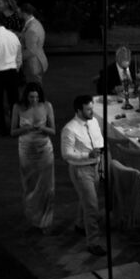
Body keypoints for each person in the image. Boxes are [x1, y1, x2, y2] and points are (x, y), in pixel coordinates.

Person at [60, 94, 106, 255]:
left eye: (92, 108)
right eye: (88, 109)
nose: (91, 112)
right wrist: (87, 156)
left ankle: (80, 224)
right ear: (79, 110)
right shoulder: (69, 129)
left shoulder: (93, 122)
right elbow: (66, 154)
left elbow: (98, 139)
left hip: (94, 167)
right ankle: (93, 242)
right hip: (81, 170)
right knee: (92, 206)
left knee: (87, 200)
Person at [10, 82, 55, 230]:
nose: (34, 100)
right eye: (31, 97)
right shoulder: (18, 108)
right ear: (26, 96)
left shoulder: (47, 106)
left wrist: (42, 128)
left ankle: (46, 221)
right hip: (26, 149)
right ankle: (33, 215)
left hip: (44, 148)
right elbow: (12, 132)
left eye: (36, 97)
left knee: (47, 185)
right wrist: (26, 128)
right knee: (29, 184)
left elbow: (53, 131)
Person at [16, 1, 48, 93]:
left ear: (24, 13)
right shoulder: (34, 23)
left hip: (32, 65)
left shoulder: (31, 29)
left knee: (34, 91)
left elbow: (31, 51)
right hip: (36, 61)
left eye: (19, 12)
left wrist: (16, 58)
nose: (18, 14)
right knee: (36, 90)